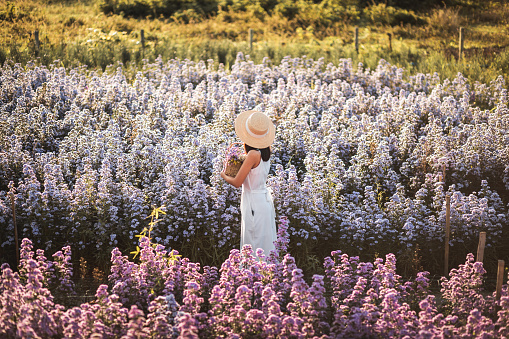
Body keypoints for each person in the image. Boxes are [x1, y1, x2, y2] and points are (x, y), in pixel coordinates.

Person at [220, 110, 277, 257]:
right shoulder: (266, 150)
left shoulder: (252, 155)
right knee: (264, 242)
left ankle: (252, 276)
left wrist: (223, 175)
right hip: (262, 201)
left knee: (252, 242)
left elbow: (237, 182)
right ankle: (268, 275)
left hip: (253, 203)